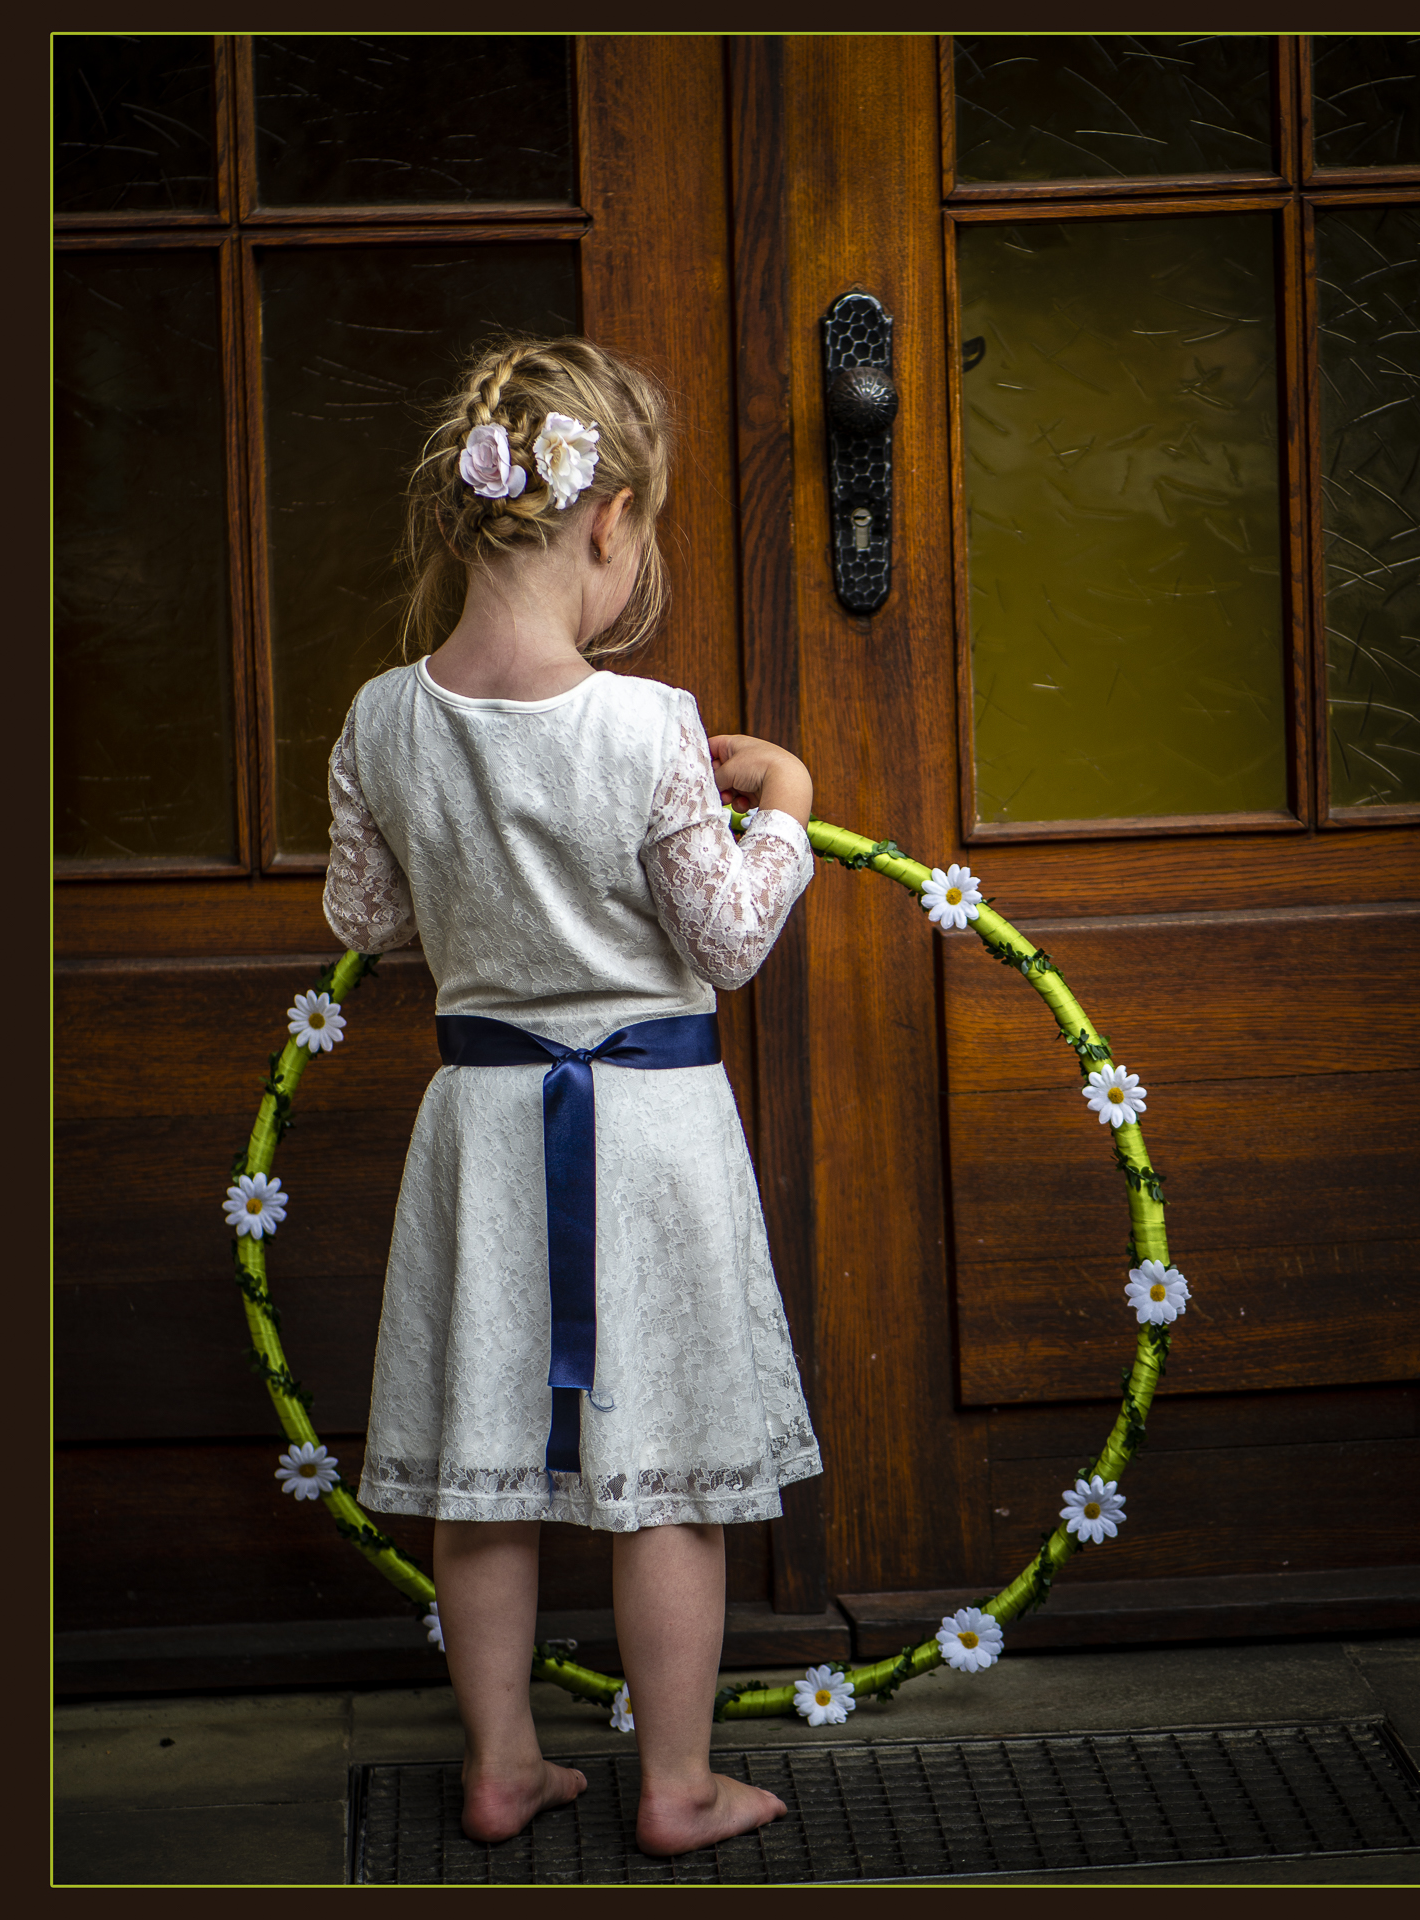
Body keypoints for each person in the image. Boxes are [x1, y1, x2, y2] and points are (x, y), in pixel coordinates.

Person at [321, 335, 819, 1857]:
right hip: (650, 1139)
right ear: (607, 523)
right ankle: (673, 1785)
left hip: (484, 1129)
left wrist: (487, 895)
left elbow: (366, 923)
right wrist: (786, 806)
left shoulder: (380, 721)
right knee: (658, 1465)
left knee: (489, 1459)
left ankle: (499, 1766)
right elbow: (726, 941)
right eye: (642, 538)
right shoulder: (650, 726)